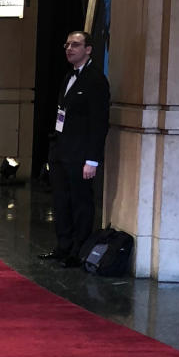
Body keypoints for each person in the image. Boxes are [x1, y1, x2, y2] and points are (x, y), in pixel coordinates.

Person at [45, 29, 110, 266]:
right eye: (67, 45)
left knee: (80, 203)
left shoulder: (96, 80)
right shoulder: (68, 77)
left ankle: (78, 251)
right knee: (61, 201)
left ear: (88, 49)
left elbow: (99, 122)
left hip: (81, 154)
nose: (69, 49)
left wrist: (92, 160)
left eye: (75, 45)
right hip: (61, 151)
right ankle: (63, 246)